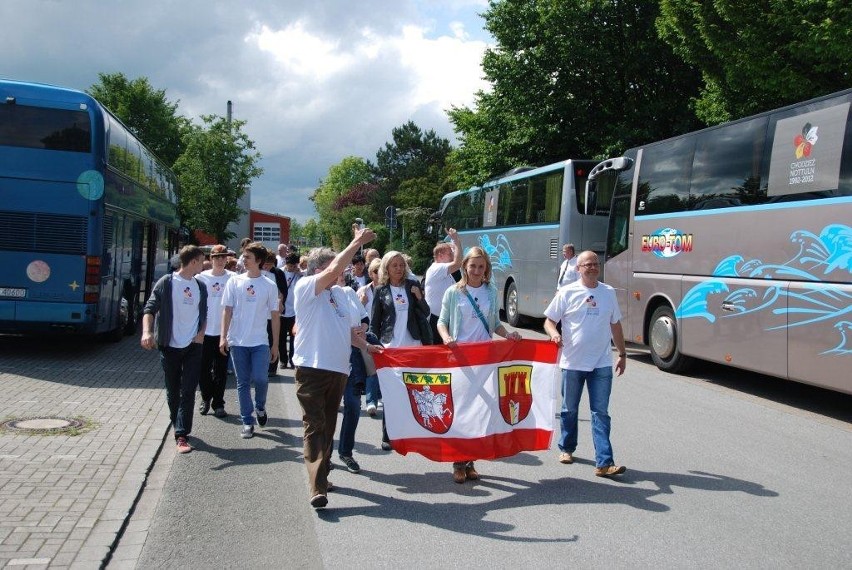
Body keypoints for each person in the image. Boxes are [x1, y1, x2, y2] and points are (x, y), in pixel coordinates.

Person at [292, 225, 377, 509]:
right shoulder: (307, 287)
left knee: (328, 427)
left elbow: (350, 332)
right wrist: (356, 242)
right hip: (311, 369)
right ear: (319, 269)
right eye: (334, 267)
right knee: (314, 426)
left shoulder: (341, 295)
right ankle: (317, 488)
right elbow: (333, 270)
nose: (340, 272)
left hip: (339, 370)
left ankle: (323, 475)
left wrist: (367, 347)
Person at [437, 246, 522, 483]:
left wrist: (509, 335)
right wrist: (446, 337)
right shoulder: (453, 292)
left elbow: (495, 323)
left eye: (481, 266)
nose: (476, 270)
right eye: (472, 266)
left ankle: (470, 460)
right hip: (461, 359)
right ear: (464, 266)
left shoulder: (491, 291)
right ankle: (458, 462)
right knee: (461, 410)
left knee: (480, 411)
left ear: (486, 269)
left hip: (485, 360)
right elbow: (442, 322)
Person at [543, 250, 628, 478]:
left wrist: (622, 353)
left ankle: (604, 462)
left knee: (600, 412)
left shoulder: (608, 292)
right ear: (578, 268)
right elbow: (549, 321)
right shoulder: (567, 292)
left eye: (595, 263)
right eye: (587, 264)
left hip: (601, 362)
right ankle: (567, 448)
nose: (592, 267)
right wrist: (553, 334)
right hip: (572, 362)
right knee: (569, 409)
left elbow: (615, 324)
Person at [141, 245, 208, 454]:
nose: (204, 263)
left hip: (192, 346)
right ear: (194, 261)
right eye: (202, 260)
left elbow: (204, 313)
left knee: (188, 390)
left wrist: (200, 335)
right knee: (173, 391)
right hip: (169, 345)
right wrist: (147, 332)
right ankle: (176, 421)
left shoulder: (200, 285)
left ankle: (181, 434)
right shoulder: (166, 283)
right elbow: (149, 309)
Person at [370, 251, 433, 450]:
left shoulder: (412, 287)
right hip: (390, 349)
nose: (398, 268)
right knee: (391, 393)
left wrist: (419, 297)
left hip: (412, 347)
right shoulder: (381, 291)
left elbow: (426, 312)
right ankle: (387, 434)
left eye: (401, 265)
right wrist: (375, 344)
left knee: (412, 391)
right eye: (394, 265)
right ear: (386, 268)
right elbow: (374, 323)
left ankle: (411, 432)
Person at [220, 242, 280, 439]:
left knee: (261, 379)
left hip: (260, 341)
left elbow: (275, 315)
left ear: (258, 261)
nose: (243, 260)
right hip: (238, 341)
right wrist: (223, 337)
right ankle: (247, 421)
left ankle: (260, 407)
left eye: (247, 257)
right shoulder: (234, 282)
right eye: (243, 257)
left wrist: (276, 345)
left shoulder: (269, 285)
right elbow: (227, 310)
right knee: (242, 382)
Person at [196, 244, 234, 418]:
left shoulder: (233, 278)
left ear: (227, 259)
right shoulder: (201, 278)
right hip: (204, 331)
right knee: (202, 369)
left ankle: (218, 403)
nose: (220, 260)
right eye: (217, 257)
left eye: (223, 257)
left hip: (224, 332)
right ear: (210, 259)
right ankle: (205, 397)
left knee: (220, 369)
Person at [424, 228, 462, 344]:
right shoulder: (436, 268)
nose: (452, 256)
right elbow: (458, 263)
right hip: (435, 319)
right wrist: (456, 240)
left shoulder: (445, 272)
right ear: (440, 255)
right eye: (450, 254)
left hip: (444, 318)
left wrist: (454, 245)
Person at [358, 258, 382, 415]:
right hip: (369, 334)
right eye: (376, 272)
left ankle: (379, 395)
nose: (379, 275)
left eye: (382, 271)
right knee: (372, 368)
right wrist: (361, 302)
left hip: (385, 334)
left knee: (383, 368)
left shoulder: (391, 290)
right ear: (370, 274)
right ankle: (371, 401)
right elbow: (356, 315)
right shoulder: (363, 291)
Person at [262, 252, 287, 375]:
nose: (266, 267)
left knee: (273, 339)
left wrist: (281, 302)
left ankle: (272, 367)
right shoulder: (258, 272)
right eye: (265, 264)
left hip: (273, 312)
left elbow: (283, 290)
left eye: (269, 264)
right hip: (260, 312)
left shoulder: (278, 273)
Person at [279, 252, 302, 369]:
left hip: (294, 311)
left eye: (294, 266)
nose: (292, 268)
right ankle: (283, 360)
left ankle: (292, 359)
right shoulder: (280, 273)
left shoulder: (299, 275)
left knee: (294, 338)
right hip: (282, 311)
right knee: (281, 338)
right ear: (286, 263)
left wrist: (300, 273)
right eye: (290, 265)